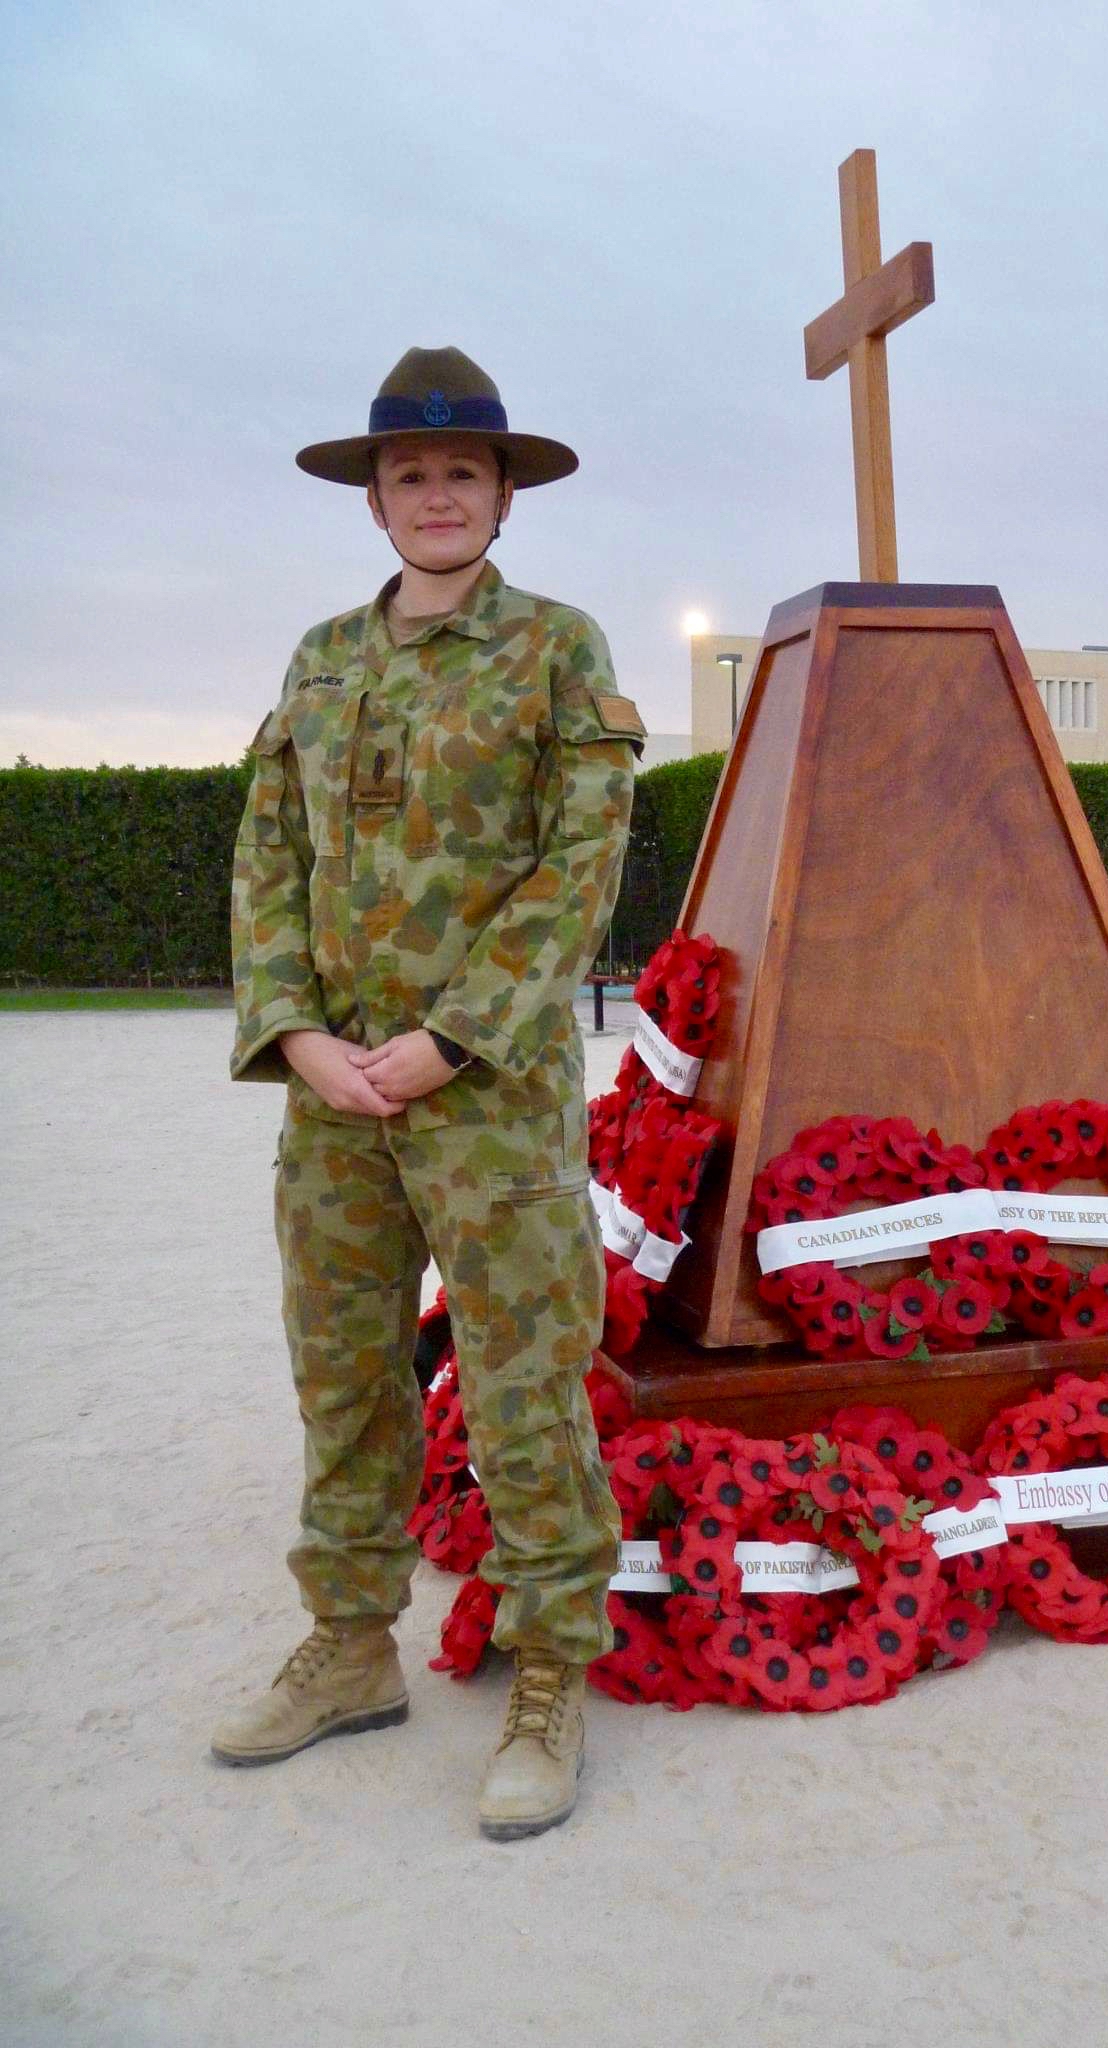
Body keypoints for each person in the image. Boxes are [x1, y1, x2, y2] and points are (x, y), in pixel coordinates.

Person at [211, 346, 645, 1840]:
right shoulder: (322, 659)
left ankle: (549, 1675)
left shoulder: (557, 652)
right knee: (342, 1379)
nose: (438, 495)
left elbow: (580, 865)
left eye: (465, 472)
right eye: (411, 475)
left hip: (493, 1099)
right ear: (377, 500)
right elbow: (268, 855)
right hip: (333, 1102)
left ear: (505, 495)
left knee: (525, 1390)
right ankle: (348, 1649)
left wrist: (455, 1037)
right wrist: (296, 1035)